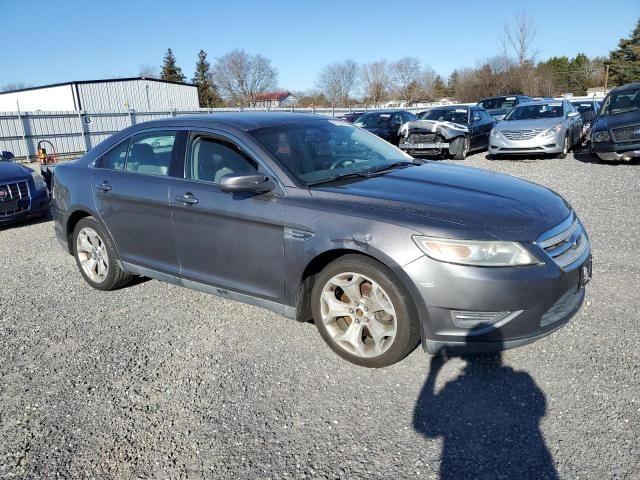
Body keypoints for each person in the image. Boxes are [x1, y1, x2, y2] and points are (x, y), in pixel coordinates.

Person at [413, 347, 558, 479]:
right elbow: (540, 408)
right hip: (530, 462)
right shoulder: (521, 378)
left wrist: (433, 372)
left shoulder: (453, 388)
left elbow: (423, 426)